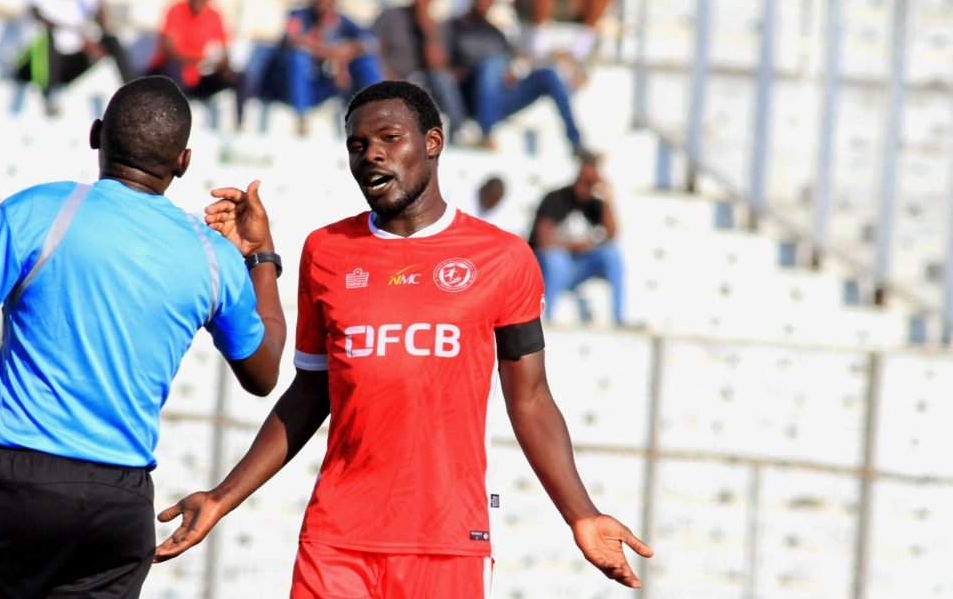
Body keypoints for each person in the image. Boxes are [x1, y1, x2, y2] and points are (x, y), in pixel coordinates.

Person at [153, 81, 651, 598]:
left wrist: (581, 513)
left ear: (433, 142)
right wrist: (223, 496)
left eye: (389, 138)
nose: (372, 154)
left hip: (447, 543)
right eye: (358, 145)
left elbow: (530, 398)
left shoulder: (503, 257)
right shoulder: (326, 250)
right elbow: (310, 392)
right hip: (335, 542)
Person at [0, 75, 286, 597]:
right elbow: (264, 373)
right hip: (120, 506)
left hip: (14, 482)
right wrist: (260, 257)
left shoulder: (38, 210)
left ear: (97, 134)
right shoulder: (212, 255)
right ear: (183, 162)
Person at [446, 0, 584, 154]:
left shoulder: (496, 34)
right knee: (491, 63)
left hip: (498, 97)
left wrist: (511, 73)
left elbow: (515, 62)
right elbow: (440, 64)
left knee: (548, 75)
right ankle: (486, 133)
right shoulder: (455, 27)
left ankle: (577, 142)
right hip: (468, 96)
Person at [529, 152, 626, 324]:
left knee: (613, 253)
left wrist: (607, 199)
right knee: (556, 259)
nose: (584, 186)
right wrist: (577, 246)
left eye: (590, 182)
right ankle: (547, 317)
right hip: (550, 268)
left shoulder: (595, 205)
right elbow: (543, 241)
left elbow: (612, 234)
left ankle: (619, 318)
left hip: (579, 267)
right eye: (582, 179)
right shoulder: (556, 198)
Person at [273, 0, 382, 135]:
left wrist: (344, 56)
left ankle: (376, 112)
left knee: (365, 62)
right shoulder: (298, 15)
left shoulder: (341, 21)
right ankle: (301, 117)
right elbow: (292, 39)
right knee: (298, 58)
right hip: (294, 85)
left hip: (327, 83)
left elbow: (370, 42)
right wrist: (330, 53)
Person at [11, 0, 133, 116]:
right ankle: (49, 95)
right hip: (35, 64)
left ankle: (132, 90)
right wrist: (76, 30)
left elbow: (103, 23)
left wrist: (98, 10)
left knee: (111, 40)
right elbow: (37, 18)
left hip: (68, 62)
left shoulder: (83, 3)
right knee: (46, 38)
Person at [372, 0, 467, 140]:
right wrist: (390, 77)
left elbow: (436, 65)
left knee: (442, 78)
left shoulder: (439, 25)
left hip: (420, 82)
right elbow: (372, 51)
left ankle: (458, 130)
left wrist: (427, 31)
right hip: (389, 76)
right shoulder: (391, 16)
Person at [145, 0, 245, 124]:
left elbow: (224, 51)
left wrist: (221, 65)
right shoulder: (176, 10)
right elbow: (170, 54)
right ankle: (175, 122)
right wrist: (201, 60)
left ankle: (239, 125)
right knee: (175, 69)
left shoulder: (214, 15)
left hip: (196, 78)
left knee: (239, 77)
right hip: (170, 74)